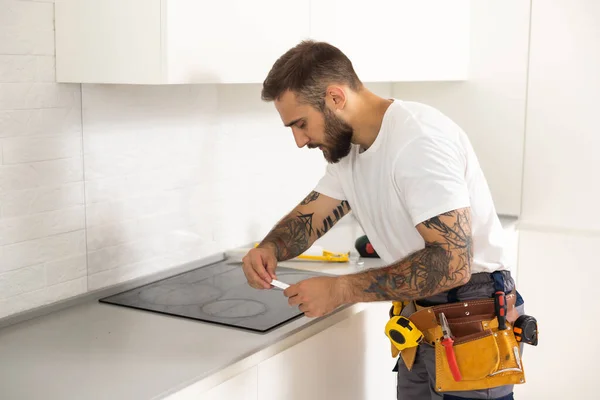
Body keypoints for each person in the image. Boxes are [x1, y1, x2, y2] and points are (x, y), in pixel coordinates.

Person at [241, 40, 527, 400]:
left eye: (301, 124)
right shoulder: (348, 150)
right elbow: (312, 216)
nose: (300, 141)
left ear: (335, 98)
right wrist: (269, 247)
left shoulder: (417, 140)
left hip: (470, 318)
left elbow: (452, 264)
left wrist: (340, 290)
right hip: (420, 321)